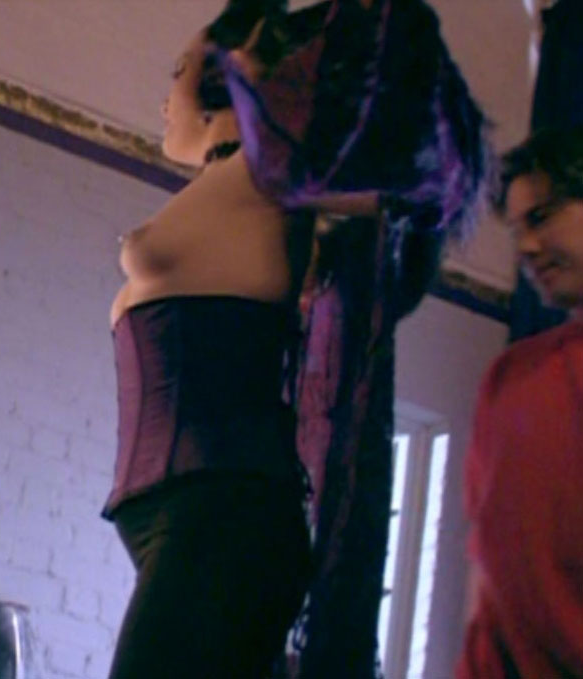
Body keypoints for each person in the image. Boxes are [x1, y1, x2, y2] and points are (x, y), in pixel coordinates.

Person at [101, 0, 491, 677]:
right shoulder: (232, 185)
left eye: (180, 71)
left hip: (222, 514)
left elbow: (407, 172)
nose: (165, 98)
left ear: (226, 78)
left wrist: (269, 69)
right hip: (193, 516)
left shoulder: (273, 178)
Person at [458, 126, 583, 679]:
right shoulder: (510, 377)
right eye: (516, 230)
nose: (526, 248)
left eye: (542, 217)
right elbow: (487, 572)